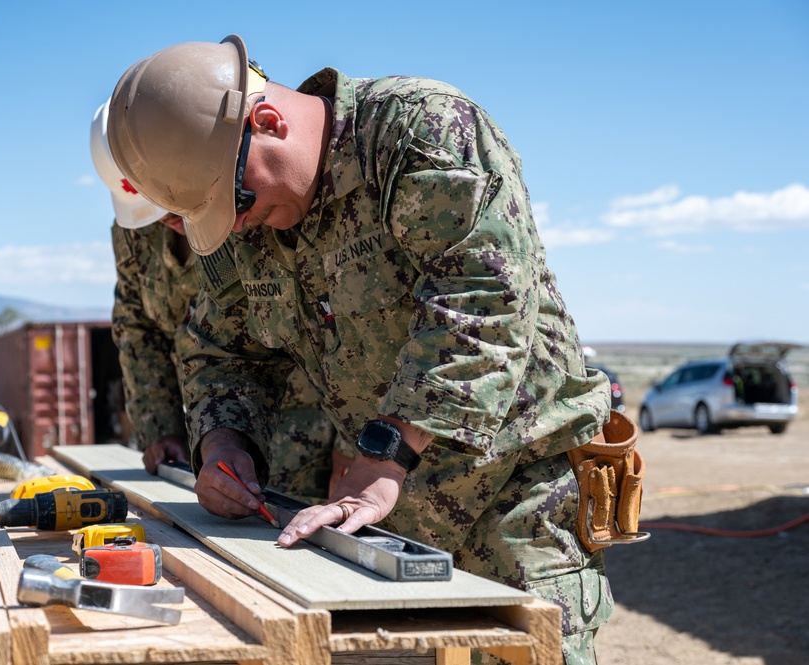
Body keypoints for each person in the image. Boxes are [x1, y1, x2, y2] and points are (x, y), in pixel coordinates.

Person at [107, 36, 615, 664]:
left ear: (266, 122)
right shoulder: (256, 217)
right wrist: (224, 445)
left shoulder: (419, 132)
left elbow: (480, 304)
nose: (237, 226)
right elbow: (217, 349)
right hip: (387, 522)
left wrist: (385, 455)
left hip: (516, 500)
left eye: (234, 202)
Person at [91, 100, 347, 502]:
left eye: (170, 199)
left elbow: (344, 330)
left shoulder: (250, 206)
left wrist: (351, 451)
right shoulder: (134, 233)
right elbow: (136, 329)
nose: (167, 217)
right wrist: (162, 431)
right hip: (215, 439)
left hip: (305, 431)